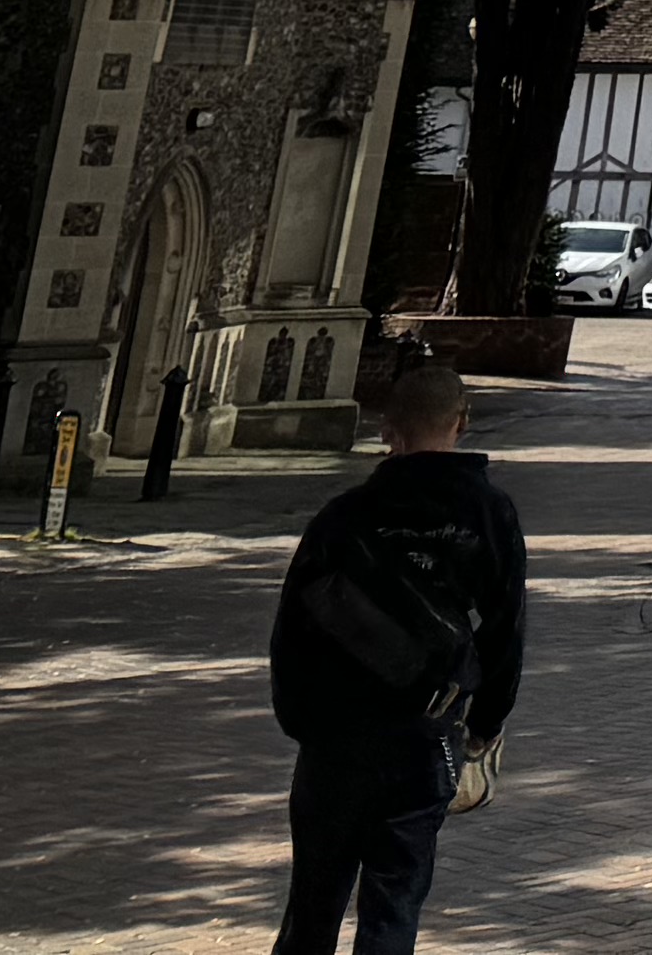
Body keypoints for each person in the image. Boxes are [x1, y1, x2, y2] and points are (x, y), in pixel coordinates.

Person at [267, 355, 525, 955]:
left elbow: (292, 631)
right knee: (394, 907)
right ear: (462, 421)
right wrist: (485, 725)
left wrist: (300, 721)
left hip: (335, 736)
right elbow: (505, 631)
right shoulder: (489, 514)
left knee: (312, 907)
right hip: (425, 733)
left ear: (388, 429)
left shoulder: (343, 517)